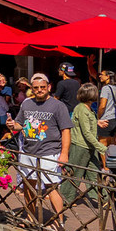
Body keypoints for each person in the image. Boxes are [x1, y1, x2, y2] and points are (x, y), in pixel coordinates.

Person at [13, 70, 71, 220]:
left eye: (42, 87)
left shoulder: (58, 106)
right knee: (29, 185)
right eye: (36, 87)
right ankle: (31, 217)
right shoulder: (26, 104)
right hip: (28, 150)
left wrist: (64, 153)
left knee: (52, 186)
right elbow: (20, 125)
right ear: (32, 88)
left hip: (49, 151)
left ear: (49, 87)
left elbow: (65, 130)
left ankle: (60, 221)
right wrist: (13, 125)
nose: (39, 90)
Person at [66, 80, 105, 203]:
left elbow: (87, 125)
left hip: (89, 147)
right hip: (81, 146)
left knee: (94, 173)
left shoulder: (88, 108)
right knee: (75, 174)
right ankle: (65, 199)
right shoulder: (82, 108)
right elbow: (86, 132)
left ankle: (103, 198)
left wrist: (97, 122)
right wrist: (101, 147)